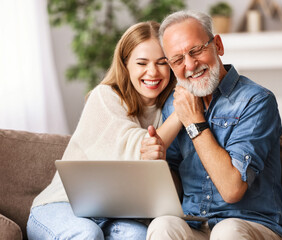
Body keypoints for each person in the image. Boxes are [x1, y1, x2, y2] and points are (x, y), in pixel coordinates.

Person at [27, 21, 182, 240]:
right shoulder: (105, 96)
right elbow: (142, 149)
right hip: (61, 206)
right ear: (125, 64)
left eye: (162, 62)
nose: (152, 72)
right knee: (86, 234)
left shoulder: (165, 108)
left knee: (138, 236)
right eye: (141, 63)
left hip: (117, 215)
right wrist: (182, 112)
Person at [143, 10, 282, 240]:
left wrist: (194, 121)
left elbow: (232, 189)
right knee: (164, 225)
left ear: (217, 45)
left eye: (196, 50)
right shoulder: (175, 104)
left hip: (250, 225)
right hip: (196, 225)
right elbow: (174, 184)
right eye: (178, 59)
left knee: (226, 232)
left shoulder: (257, 101)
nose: (190, 65)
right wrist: (158, 166)